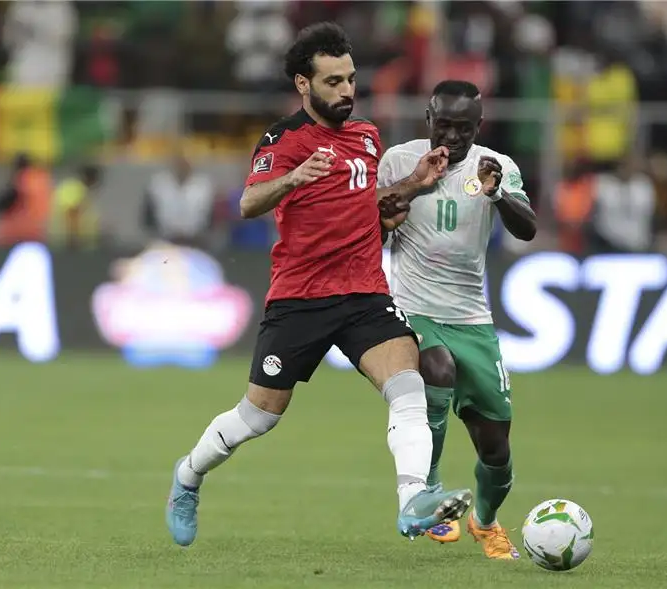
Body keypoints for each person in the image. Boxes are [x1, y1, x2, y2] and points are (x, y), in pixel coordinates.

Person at [165, 23, 472, 547]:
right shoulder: (283, 140)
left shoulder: (367, 136)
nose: (347, 90)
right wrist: (293, 178)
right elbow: (249, 202)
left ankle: (412, 501)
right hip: (300, 298)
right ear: (303, 85)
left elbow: (367, 206)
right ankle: (188, 476)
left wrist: (414, 184)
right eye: (333, 81)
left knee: (408, 386)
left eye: (350, 79)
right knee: (258, 417)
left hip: (364, 293)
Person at [377, 80, 537, 560]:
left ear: (479, 126)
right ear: (428, 118)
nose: (452, 135)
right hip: (412, 307)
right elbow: (371, 229)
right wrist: (396, 206)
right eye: (443, 124)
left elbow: (527, 228)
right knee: (436, 368)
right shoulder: (400, 161)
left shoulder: (496, 167)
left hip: (471, 318)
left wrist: (497, 194)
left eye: (463, 128)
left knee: (497, 450)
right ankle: (428, 489)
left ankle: (484, 523)